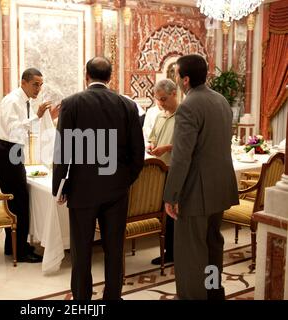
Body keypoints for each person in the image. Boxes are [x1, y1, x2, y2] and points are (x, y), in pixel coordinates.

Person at [52, 57, 145, 300]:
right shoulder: (127, 105)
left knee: (81, 249)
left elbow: (63, 151)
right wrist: (125, 181)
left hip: (82, 189)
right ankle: (112, 296)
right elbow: (138, 153)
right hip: (116, 190)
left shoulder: (71, 104)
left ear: (86, 76)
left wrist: (60, 187)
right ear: (110, 77)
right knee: (114, 248)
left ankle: (82, 299)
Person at [163, 54, 239, 300]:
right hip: (221, 187)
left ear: (185, 80)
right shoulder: (221, 101)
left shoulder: (188, 106)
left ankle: (192, 296)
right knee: (213, 246)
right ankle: (213, 291)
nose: (175, 78)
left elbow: (181, 157)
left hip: (196, 191)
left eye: (176, 74)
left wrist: (171, 194)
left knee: (190, 253)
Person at [0, 67, 59, 263]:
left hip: (12, 149)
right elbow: (14, 131)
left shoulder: (23, 101)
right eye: (35, 84)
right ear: (23, 82)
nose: (38, 89)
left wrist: (48, 117)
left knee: (17, 199)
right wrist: (37, 117)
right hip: (7, 150)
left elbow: (25, 130)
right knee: (18, 200)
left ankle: (12, 245)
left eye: (40, 85)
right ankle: (20, 251)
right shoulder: (13, 101)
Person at [146, 79, 178, 266]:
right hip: (160, 171)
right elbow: (153, 139)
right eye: (158, 100)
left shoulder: (184, 115)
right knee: (163, 213)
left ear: (174, 93)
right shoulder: (159, 116)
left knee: (173, 214)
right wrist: (152, 145)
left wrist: (166, 148)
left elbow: (188, 144)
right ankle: (167, 250)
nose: (161, 104)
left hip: (175, 170)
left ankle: (174, 252)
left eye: (164, 99)